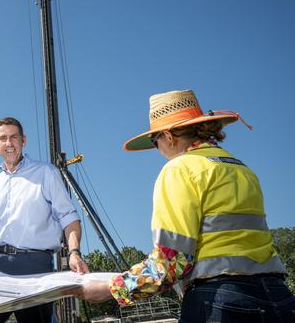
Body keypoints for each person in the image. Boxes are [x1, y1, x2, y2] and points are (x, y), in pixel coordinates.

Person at [74, 89, 295, 322]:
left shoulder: (179, 169)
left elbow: (170, 263)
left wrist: (111, 288)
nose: (157, 148)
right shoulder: (241, 169)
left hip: (220, 300)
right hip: (278, 296)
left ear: (169, 136)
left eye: (154, 140)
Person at [0, 117, 89, 323]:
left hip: (34, 267)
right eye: (3, 138)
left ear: (23, 141)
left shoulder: (46, 173)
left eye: (14, 137)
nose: (9, 143)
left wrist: (74, 252)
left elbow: (69, 217)